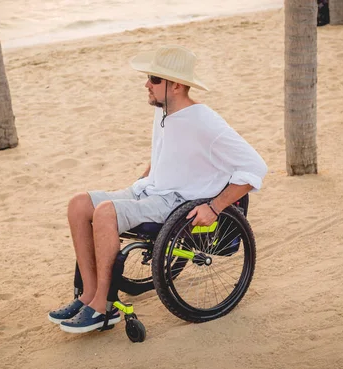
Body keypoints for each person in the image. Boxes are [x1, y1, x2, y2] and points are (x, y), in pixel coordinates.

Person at [49, 45, 268, 334]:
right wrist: (143, 179)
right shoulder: (164, 110)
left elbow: (255, 167)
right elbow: (166, 153)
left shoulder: (204, 122)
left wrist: (214, 207)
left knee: (105, 212)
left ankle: (104, 307)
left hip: (177, 202)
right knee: (78, 204)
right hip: (150, 190)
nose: (146, 84)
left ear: (175, 85)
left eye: (154, 79)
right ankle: (89, 296)